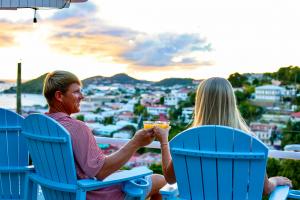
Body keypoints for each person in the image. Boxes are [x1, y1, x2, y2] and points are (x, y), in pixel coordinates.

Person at [154, 77, 292, 195]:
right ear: (231, 101)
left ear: (200, 103)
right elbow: (265, 189)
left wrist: (163, 142)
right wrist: (276, 180)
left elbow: (170, 178)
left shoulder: (186, 139)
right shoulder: (249, 140)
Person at [43, 71, 166, 200]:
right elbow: (100, 172)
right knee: (160, 180)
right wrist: (136, 142)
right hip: (90, 194)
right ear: (59, 96)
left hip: (58, 193)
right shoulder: (76, 127)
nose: (82, 96)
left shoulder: (42, 126)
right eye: (76, 92)